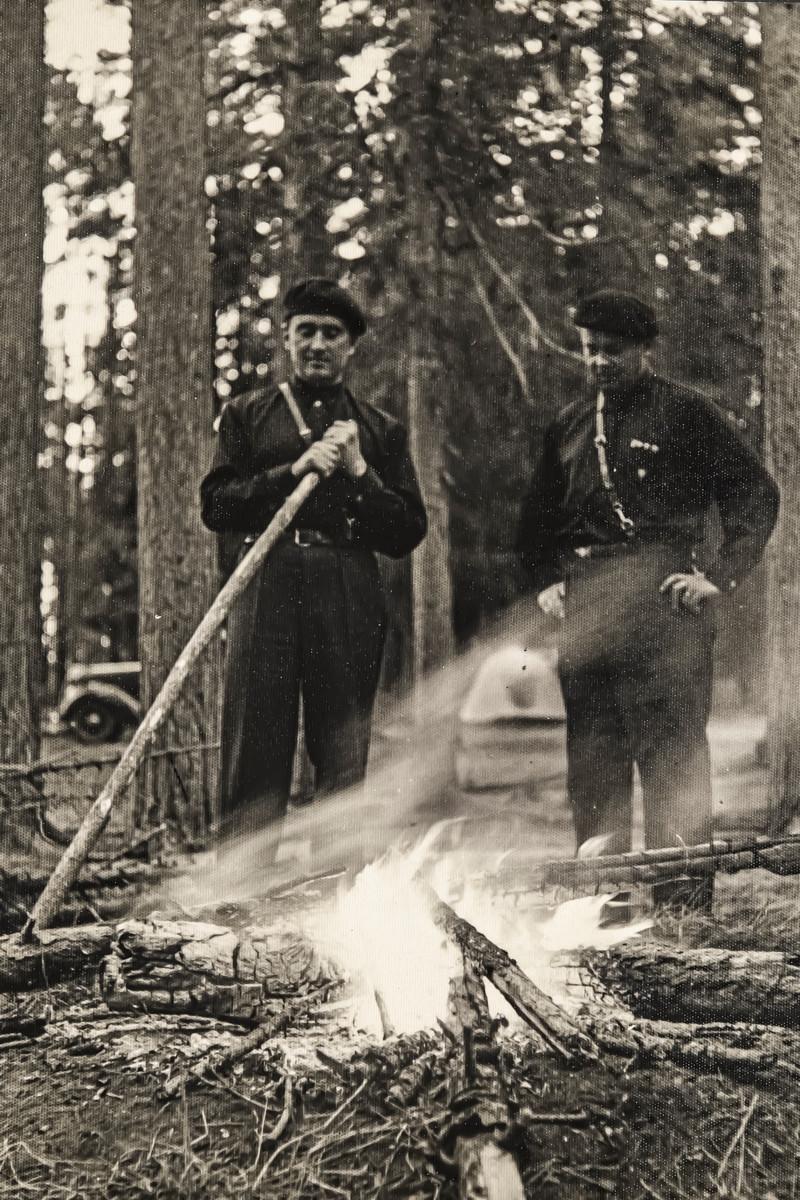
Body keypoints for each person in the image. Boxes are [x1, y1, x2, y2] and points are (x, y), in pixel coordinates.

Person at [516, 289, 779, 909]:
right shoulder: (571, 426)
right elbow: (533, 526)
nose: (602, 362)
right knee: (595, 764)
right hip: (590, 614)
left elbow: (756, 496)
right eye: (591, 350)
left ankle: (683, 911)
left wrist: (719, 577)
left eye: (615, 350)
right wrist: (548, 580)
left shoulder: (687, 413)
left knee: (674, 762)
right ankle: (600, 905)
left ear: (644, 349)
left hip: (668, 613)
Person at [200, 278, 427, 844]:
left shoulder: (379, 429)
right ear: (286, 338)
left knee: (343, 748)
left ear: (350, 346)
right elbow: (216, 504)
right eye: (306, 332)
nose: (318, 344)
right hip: (267, 582)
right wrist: (291, 472)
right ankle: (239, 897)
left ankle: (338, 899)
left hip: (347, 587)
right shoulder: (247, 415)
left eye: (333, 334)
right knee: (255, 740)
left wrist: (360, 473)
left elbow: (406, 532)